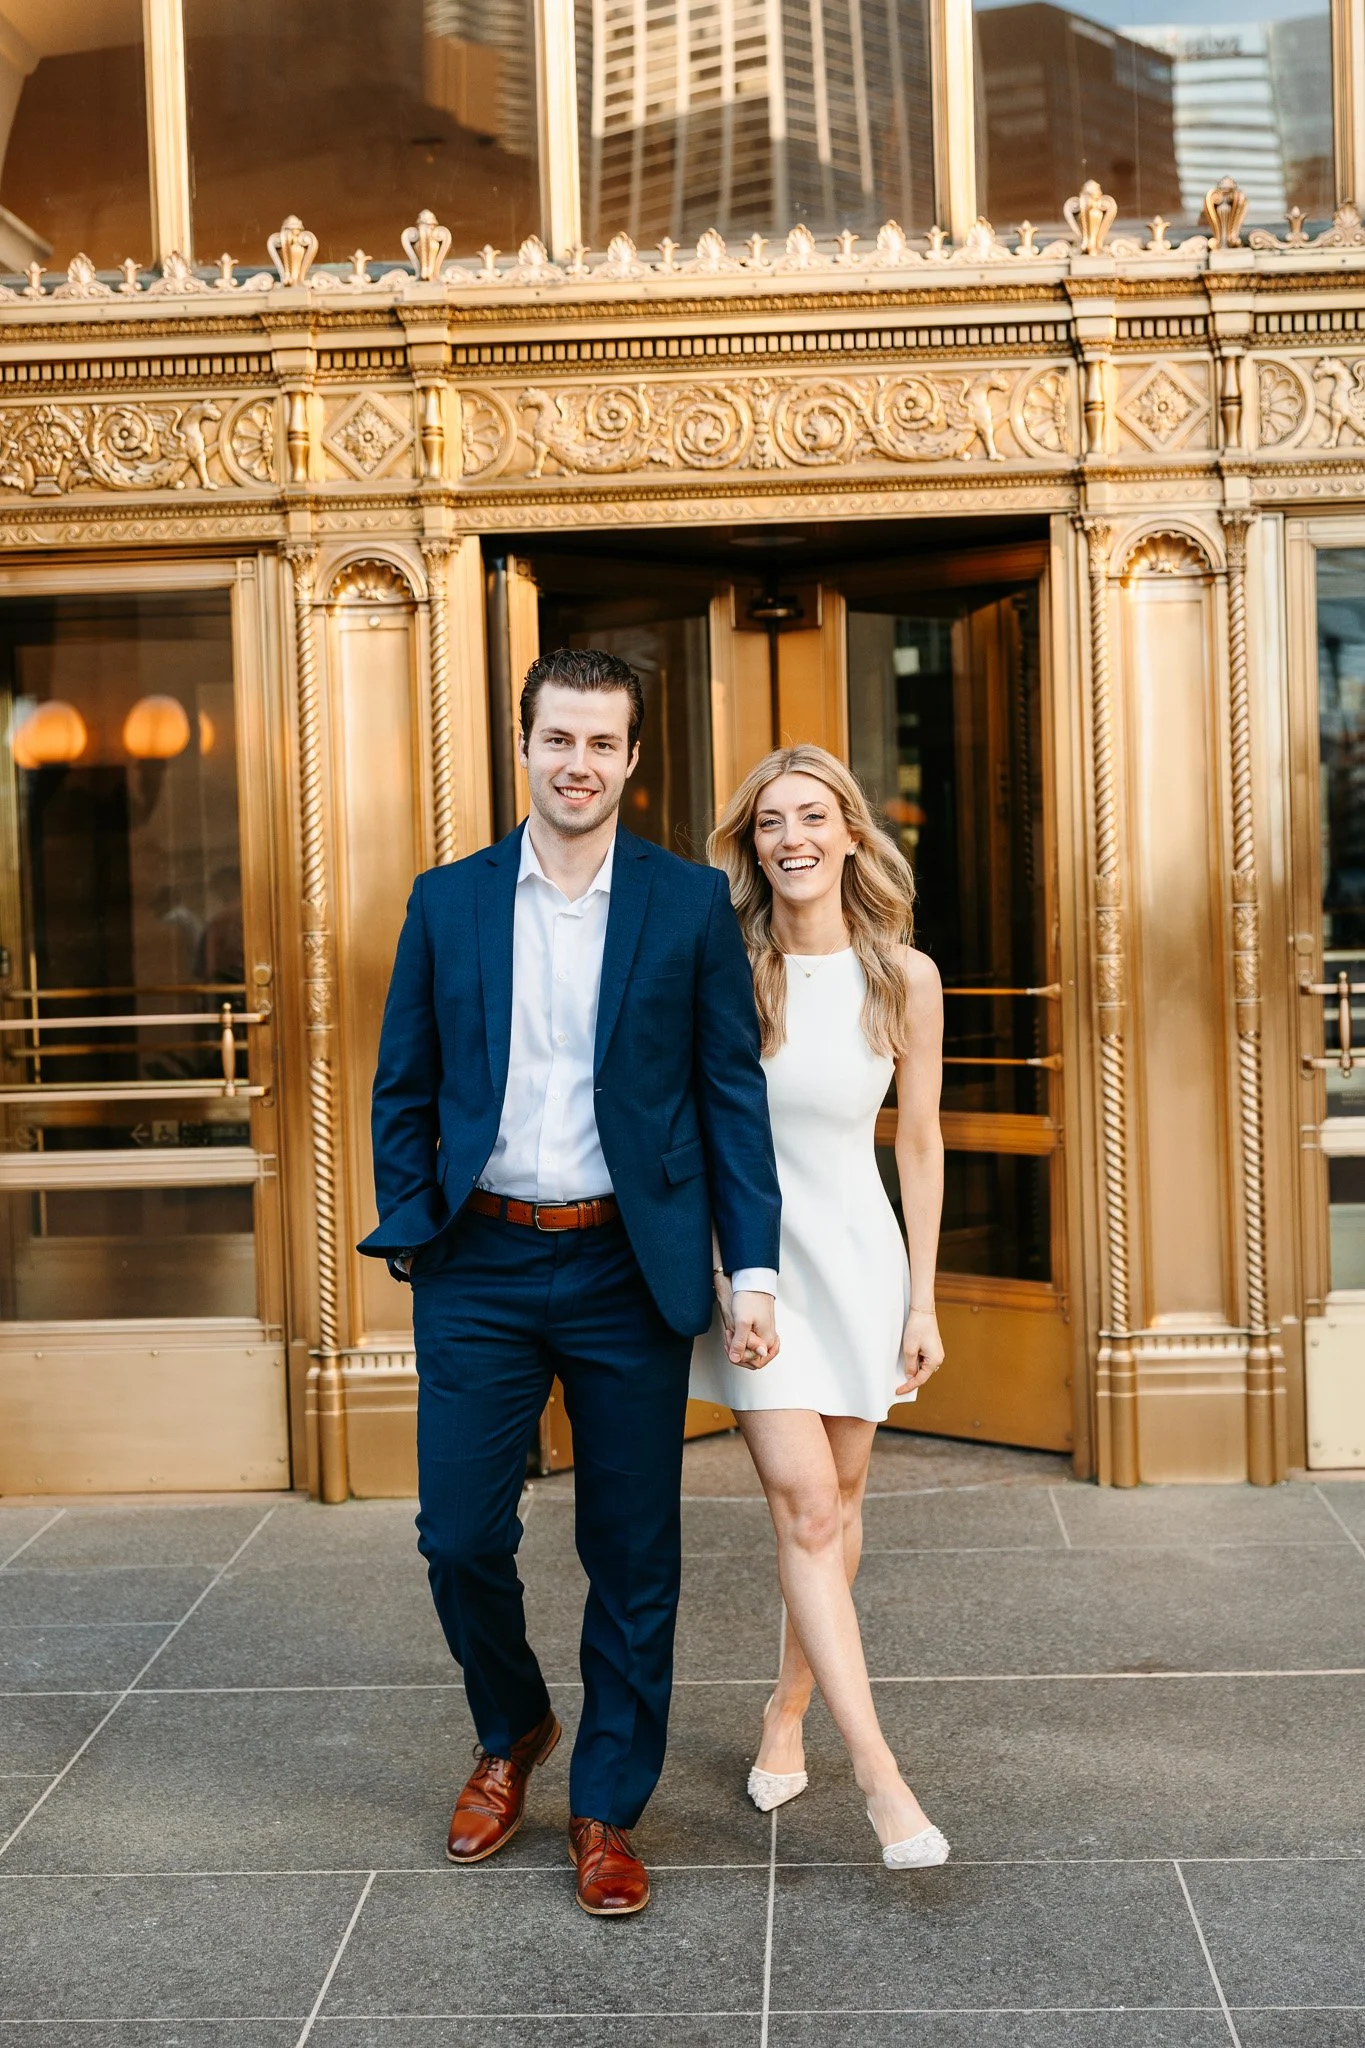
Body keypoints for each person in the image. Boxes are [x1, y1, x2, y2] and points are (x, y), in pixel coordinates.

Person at [360, 647, 781, 1917]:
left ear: (634, 757)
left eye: (603, 743)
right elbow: (404, 1085)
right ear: (525, 744)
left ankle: (607, 1803)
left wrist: (747, 1267)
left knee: (632, 1548)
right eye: (559, 740)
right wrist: (418, 1224)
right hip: (480, 1257)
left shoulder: (688, 903)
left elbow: (728, 1095)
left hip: (624, 1261)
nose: (579, 763)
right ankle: (516, 1724)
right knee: (460, 1535)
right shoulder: (447, 901)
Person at [691, 743, 950, 1870]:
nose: (790, 838)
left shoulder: (906, 977)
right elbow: (693, 1137)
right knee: (805, 1507)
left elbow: (924, 1141)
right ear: (751, 846)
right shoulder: (726, 969)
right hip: (753, 1271)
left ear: (852, 831)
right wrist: (718, 1275)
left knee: (838, 1507)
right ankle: (885, 1780)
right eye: (767, 823)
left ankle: (786, 1709)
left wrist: (924, 1298)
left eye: (811, 816)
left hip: (861, 1260)